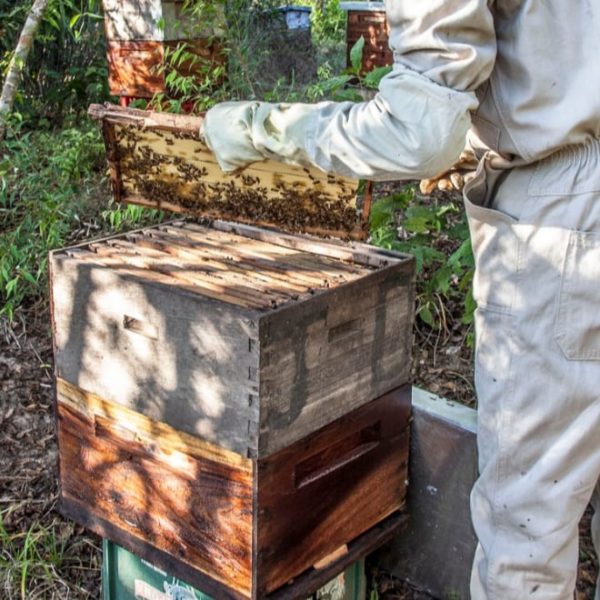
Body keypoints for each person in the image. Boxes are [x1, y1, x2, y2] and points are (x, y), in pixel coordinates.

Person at [201, 1, 600, 598]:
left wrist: (263, 128)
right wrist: (483, 139)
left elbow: (418, 136)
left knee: (527, 529)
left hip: (566, 224)